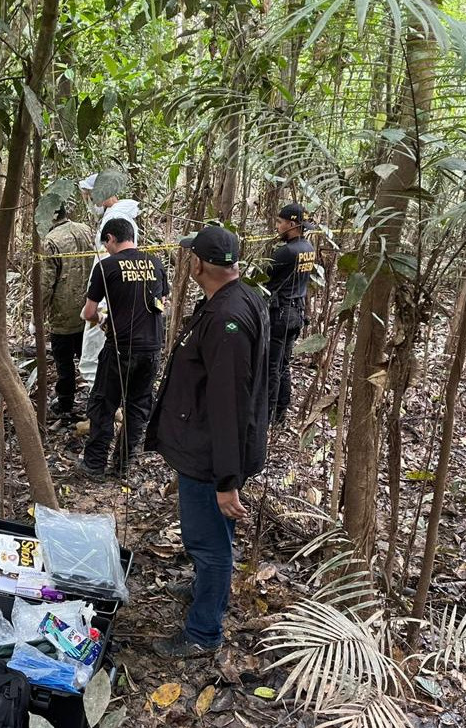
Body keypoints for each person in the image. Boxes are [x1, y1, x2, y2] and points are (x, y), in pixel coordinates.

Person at [145, 225, 269, 658]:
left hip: (211, 456)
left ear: (199, 264)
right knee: (216, 535)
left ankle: (203, 633)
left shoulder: (226, 318)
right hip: (217, 448)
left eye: (190, 257)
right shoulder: (243, 297)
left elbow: (228, 401)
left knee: (209, 543)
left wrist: (226, 479)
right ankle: (204, 589)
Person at [78, 217, 168, 477]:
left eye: (105, 244)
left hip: (121, 349)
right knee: (138, 407)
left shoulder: (107, 267)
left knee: (104, 404)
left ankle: (94, 465)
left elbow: (89, 312)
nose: (106, 249)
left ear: (110, 239)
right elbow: (160, 302)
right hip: (152, 348)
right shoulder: (156, 262)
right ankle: (123, 465)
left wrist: (102, 319)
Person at [78, 173, 142, 388]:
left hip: (109, 291)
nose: (88, 199)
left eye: (89, 194)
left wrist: (98, 300)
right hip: (113, 289)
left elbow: (112, 260)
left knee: (95, 347)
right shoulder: (117, 216)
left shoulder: (117, 219)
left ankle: (101, 406)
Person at [40, 205, 96, 417]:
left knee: (64, 362)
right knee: (89, 356)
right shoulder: (85, 230)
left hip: (63, 313)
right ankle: (95, 398)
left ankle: (65, 401)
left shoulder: (51, 241)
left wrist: (38, 315)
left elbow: (46, 283)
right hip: (90, 307)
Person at [266, 202, 316, 425]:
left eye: (280, 222)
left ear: (292, 224)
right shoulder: (308, 248)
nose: (277, 226)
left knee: (272, 367)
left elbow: (264, 276)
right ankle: (281, 412)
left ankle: (269, 415)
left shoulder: (286, 251)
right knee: (283, 365)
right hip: (296, 312)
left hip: (282, 314)